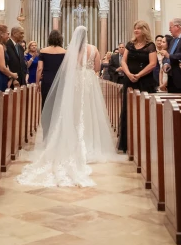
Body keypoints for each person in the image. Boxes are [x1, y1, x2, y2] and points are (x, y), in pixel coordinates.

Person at [17, 25, 118, 187]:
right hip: (90, 82)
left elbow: (68, 69)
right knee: (90, 111)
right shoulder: (94, 49)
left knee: (75, 111)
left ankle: (72, 140)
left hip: (76, 82)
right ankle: (90, 141)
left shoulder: (70, 51)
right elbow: (98, 68)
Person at [117, 21, 157, 152]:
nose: (136, 30)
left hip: (144, 81)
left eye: (139, 28)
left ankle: (143, 144)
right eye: (135, 28)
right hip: (129, 81)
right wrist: (128, 74)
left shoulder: (150, 46)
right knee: (127, 110)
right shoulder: (130, 44)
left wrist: (139, 75)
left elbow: (152, 64)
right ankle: (127, 144)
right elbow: (123, 60)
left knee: (143, 111)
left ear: (145, 30)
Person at [37, 29, 67, 107]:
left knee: (46, 101)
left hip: (47, 79)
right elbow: (65, 69)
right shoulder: (65, 52)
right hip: (60, 79)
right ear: (60, 40)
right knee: (58, 102)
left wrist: (37, 83)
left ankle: (46, 118)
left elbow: (39, 68)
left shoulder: (43, 51)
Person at [166, 18, 181, 93]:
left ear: (177, 27)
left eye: (170, 27)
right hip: (171, 76)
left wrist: (170, 56)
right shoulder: (173, 40)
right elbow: (170, 54)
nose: (169, 30)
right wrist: (167, 63)